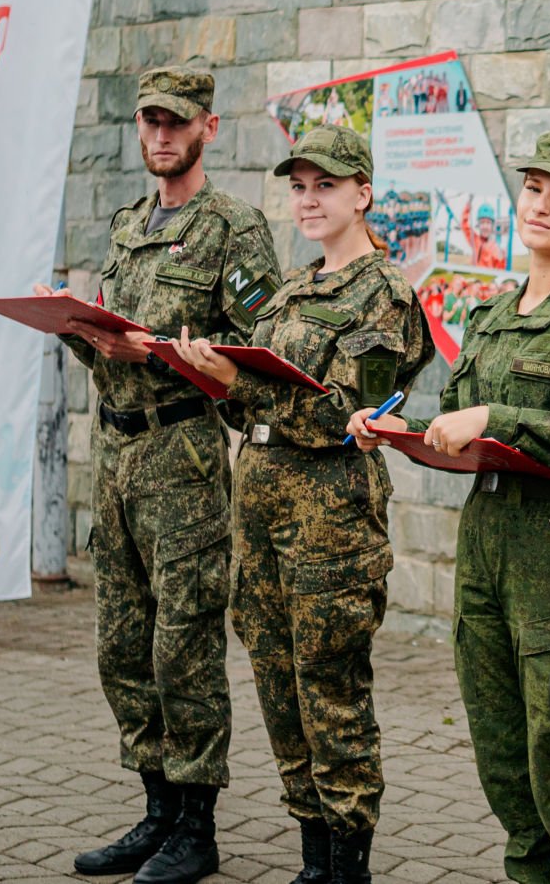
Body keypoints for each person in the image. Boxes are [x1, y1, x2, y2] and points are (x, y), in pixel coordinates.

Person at [348, 133, 550, 884]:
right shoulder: (488, 315)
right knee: (501, 748)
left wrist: (494, 418)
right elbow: (456, 423)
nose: (541, 205)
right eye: (535, 189)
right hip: (484, 541)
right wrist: (395, 428)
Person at [171, 127, 435, 884]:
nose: (309, 199)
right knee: (277, 681)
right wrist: (213, 376)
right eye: (298, 186)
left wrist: (242, 382)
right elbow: (251, 404)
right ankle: (313, 859)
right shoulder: (290, 289)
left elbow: (349, 417)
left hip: (329, 512)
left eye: (326, 185)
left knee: (329, 687)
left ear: (363, 194)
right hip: (260, 502)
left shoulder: (384, 294)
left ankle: (348, 865)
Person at [45, 67, 282, 884]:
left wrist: (166, 356)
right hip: (116, 460)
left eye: (176, 122)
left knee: (183, 648)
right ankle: (156, 811)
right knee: (121, 646)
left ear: (207, 128)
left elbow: (260, 362)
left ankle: (196, 826)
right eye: (150, 120)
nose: (160, 135)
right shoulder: (128, 225)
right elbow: (111, 347)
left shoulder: (234, 229)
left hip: (183, 462)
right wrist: (76, 326)